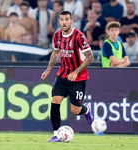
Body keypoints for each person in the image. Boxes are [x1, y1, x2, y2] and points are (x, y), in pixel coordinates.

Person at [41, 10, 94, 142]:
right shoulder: (57, 35)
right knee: (55, 101)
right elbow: (56, 54)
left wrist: (76, 72)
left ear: (71, 21)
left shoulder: (79, 36)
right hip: (63, 75)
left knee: (75, 110)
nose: (64, 22)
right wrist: (48, 69)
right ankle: (56, 134)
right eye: (61, 20)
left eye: (66, 20)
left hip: (78, 78)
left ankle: (86, 110)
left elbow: (90, 57)